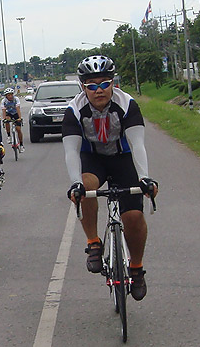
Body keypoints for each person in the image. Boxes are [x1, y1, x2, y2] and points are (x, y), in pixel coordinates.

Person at [63, 56, 158, 300]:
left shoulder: (127, 104)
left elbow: (137, 144)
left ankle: (136, 268)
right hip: (92, 159)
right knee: (85, 188)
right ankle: (94, 242)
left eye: (105, 83)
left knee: (133, 217)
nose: (99, 90)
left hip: (122, 158)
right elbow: (71, 151)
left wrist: (145, 178)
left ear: (113, 83)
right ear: (83, 87)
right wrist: (75, 183)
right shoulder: (74, 109)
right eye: (92, 85)